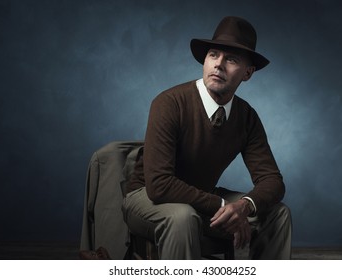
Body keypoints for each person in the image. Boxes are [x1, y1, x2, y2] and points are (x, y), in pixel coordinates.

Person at [124, 16, 292, 259]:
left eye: (231, 59)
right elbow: (159, 185)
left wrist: (244, 206)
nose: (219, 65)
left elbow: (273, 181)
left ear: (247, 73)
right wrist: (223, 206)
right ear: (205, 60)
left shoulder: (247, 117)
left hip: (200, 199)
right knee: (183, 217)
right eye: (214, 55)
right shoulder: (169, 103)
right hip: (146, 197)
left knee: (278, 213)